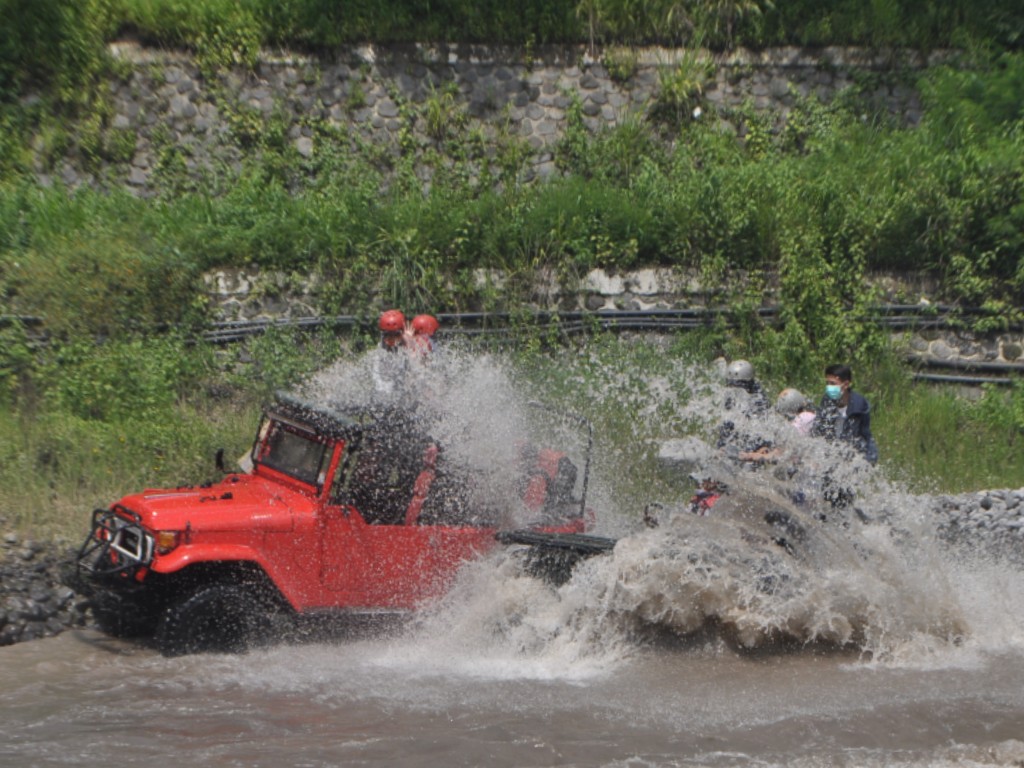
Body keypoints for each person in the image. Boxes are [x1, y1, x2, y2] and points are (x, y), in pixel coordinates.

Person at [812, 364, 878, 464]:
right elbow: (818, 428)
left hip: (852, 455)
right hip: (830, 452)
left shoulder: (858, 405)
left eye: (833, 384)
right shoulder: (827, 401)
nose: (829, 387)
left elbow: (864, 436)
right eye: (827, 383)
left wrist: (869, 460)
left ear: (846, 384)